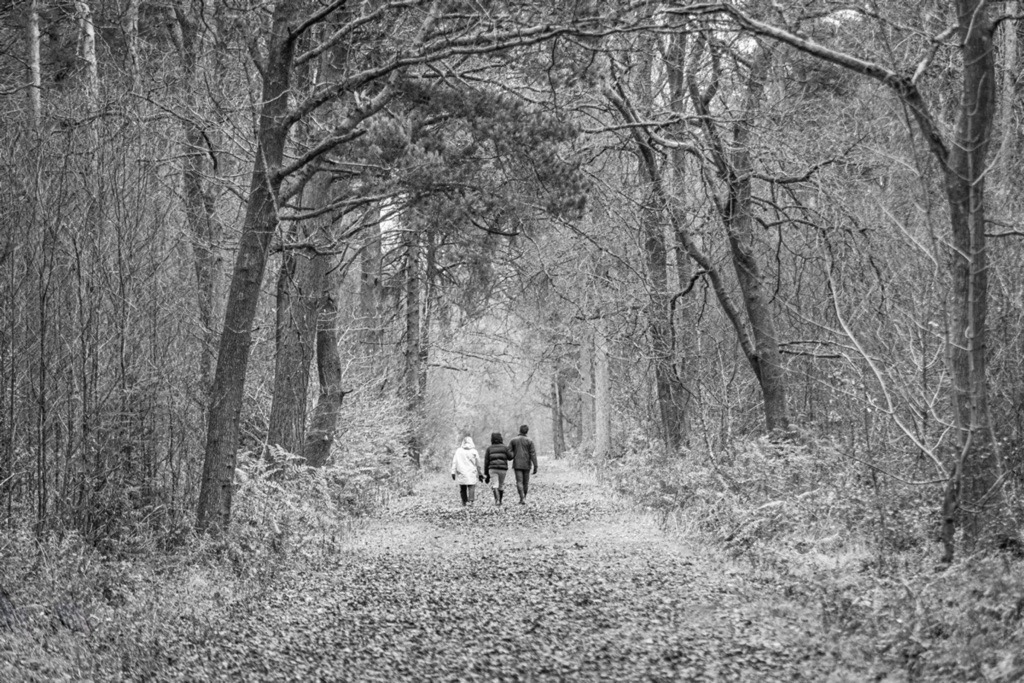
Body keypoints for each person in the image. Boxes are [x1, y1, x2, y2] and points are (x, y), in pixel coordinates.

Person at [508, 424, 538, 504]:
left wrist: (512, 456)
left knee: (519, 482)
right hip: (527, 464)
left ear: (519, 430)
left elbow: (509, 451)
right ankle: (524, 497)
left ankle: (522, 498)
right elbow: (533, 454)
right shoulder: (529, 441)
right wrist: (535, 465)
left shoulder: (513, 440)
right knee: (526, 482)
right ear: (527, 431)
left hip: (517, 464)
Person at [483, 432, 514, 506]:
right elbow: (510, 457)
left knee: (495, 484)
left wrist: (486, 474)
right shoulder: (505, 447)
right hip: (502, 469)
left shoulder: (489, 448)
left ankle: (497, 500)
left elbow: (486, 462)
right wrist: (513, 452)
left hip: (492, 469)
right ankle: (500, 500)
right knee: (501, 485)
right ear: (501, 438)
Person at [450, 436, 483, 507]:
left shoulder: (458, 451)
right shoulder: (474, 451)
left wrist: (453, 471)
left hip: (461, 472)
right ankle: (471, 501)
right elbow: (478, 464)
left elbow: (454, 462)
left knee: (463, 488)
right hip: (471, 472)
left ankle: (464, 502)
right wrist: (480, 473)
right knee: (471, 486)